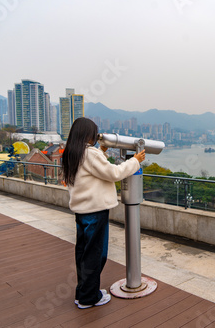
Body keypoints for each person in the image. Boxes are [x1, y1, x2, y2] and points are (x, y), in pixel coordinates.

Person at [62, 117, 145, 309]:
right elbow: (114, 173)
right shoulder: (90, 154)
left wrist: (101, 152)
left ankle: (82, 293)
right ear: (89, 134)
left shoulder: (72, 153)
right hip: (96, 211)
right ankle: (89, 298)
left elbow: (89, 172)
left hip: (81, 212)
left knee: (83, 254)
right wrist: (135, 161)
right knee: (96, 255)